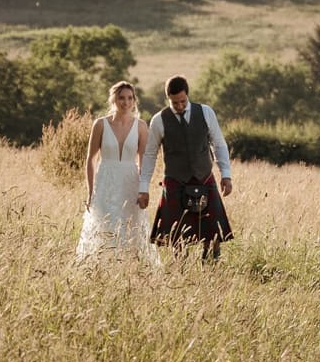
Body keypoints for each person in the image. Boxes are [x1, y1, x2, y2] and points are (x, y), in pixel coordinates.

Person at [137, 75, 235, 260]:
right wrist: (143, 188)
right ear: (168, 98)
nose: (180, 106)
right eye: (175, 103)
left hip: (204, 177)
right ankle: (181, 270)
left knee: (213, 230)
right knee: (177, 235)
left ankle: (212, 266)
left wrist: (226, 175)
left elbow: (219, 144)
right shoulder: (159, 120)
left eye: (183, 101)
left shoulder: (206, 112)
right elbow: (150, 155)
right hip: (175, 180)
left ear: (187, 95)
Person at [76, 80, 150, 260]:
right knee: (104, 226)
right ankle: (101, 266)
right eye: (121, 98)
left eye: (130, 98)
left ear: (134, 100)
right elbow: (91, 159)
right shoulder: (100, 124)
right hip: (105, 182)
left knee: (130, 229)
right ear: (113, 100)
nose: (126, 102)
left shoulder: (140, 126)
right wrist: (90, 192)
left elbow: (144, 161)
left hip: (130, 183)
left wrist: (143, 190)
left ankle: (131, 268)